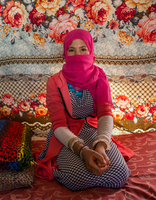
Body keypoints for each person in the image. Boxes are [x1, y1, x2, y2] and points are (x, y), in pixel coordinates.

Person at [38, 29, 131, 191]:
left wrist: (101, 145)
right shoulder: (54, 82)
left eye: (83, 49)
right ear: (65, 54)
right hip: (65, 135)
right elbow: (58, 124)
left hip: (95, 131)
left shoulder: (99, 76)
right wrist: (83, 151)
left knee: (119, 176)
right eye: (71, 50)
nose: (77, 55)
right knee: (78, 180)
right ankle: (55, 168)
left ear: (91, 51)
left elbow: (105, 113)